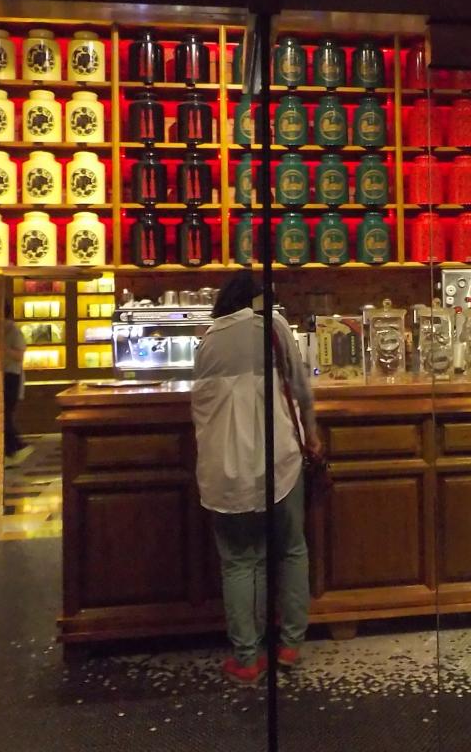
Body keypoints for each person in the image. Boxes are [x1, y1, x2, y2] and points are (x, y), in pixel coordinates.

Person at [191, 272, 322, 685]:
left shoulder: (207, 340)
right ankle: (290, 645)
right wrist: (313, 435)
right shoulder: (274, 327)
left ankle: (247, 658)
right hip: (278, 459)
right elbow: (301, 390)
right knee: (291, 549)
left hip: (224, 468)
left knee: (240, 560)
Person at [2, 301, 30, 463]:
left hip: (11, 376)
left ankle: (17, 447)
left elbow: (19, 356)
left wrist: (2, 348)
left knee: (5, 414)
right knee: (5, 415)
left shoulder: (13, 330)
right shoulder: (3, 329)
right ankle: (12, 450)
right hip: (5, 375)